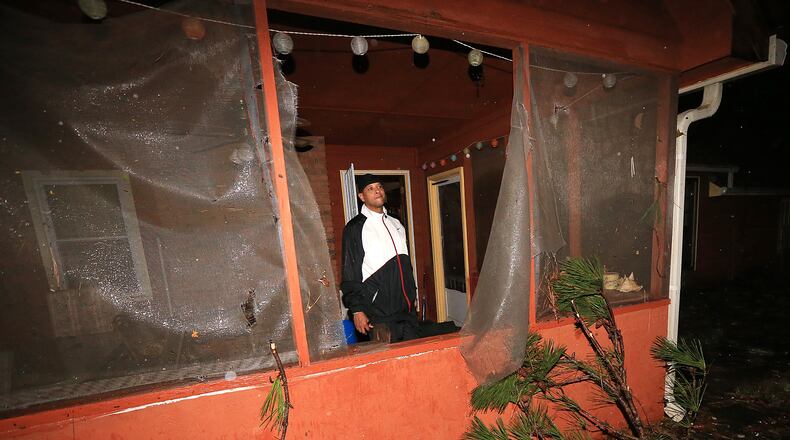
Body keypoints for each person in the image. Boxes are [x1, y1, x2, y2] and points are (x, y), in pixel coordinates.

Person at [341, 174, 418, 343]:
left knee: (413, 361)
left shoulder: (396, 223)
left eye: (380, 187)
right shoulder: (355, 228)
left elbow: (404, 264)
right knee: (387, 365)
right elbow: (349, 273)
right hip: (379, 314)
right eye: (370, 189)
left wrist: (412, 294)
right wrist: (357, 310)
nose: (377, 191)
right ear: (362, 196)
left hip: (407, 311)